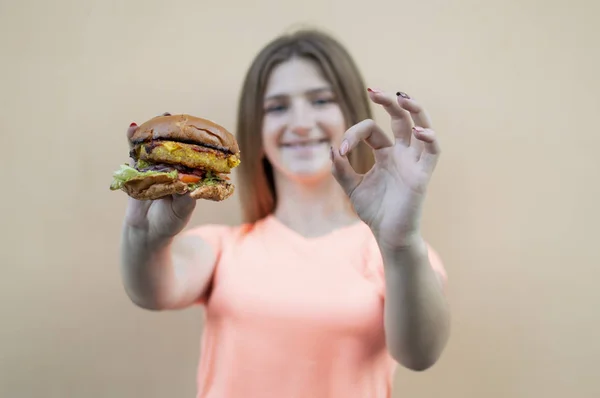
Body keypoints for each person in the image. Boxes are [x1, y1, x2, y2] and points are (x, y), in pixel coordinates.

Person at [120, 28, 450, 398]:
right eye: (277, 107)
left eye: (321, 100)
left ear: (351, 116)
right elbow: (150, 291)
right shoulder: (222, 248)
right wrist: (143, 239)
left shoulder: (399, 254)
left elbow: (420, 354)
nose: (301, 122)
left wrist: (401, 244)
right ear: (255, 132)